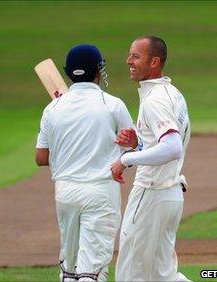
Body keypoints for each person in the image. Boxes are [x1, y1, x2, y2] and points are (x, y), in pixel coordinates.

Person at [35, 44, 134, 281]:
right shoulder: (112, 104)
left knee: (69, 269)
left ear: (67, 72)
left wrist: (69, 152)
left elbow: (40, 158)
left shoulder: (52, 108)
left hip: (65, 192)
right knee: (92, 270)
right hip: (100, 191)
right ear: (99, 71)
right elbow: (135, 146)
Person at [111, 35, 191, 281]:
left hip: (151, 193)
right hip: (170, 194)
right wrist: (139, 144)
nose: (128, 61)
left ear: (154, 61)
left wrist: (126, 160)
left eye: (136, 56)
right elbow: (165, 142)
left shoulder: (154, 100)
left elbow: (172, 147)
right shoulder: (172, 92)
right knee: (162, 275)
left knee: (129, 273)